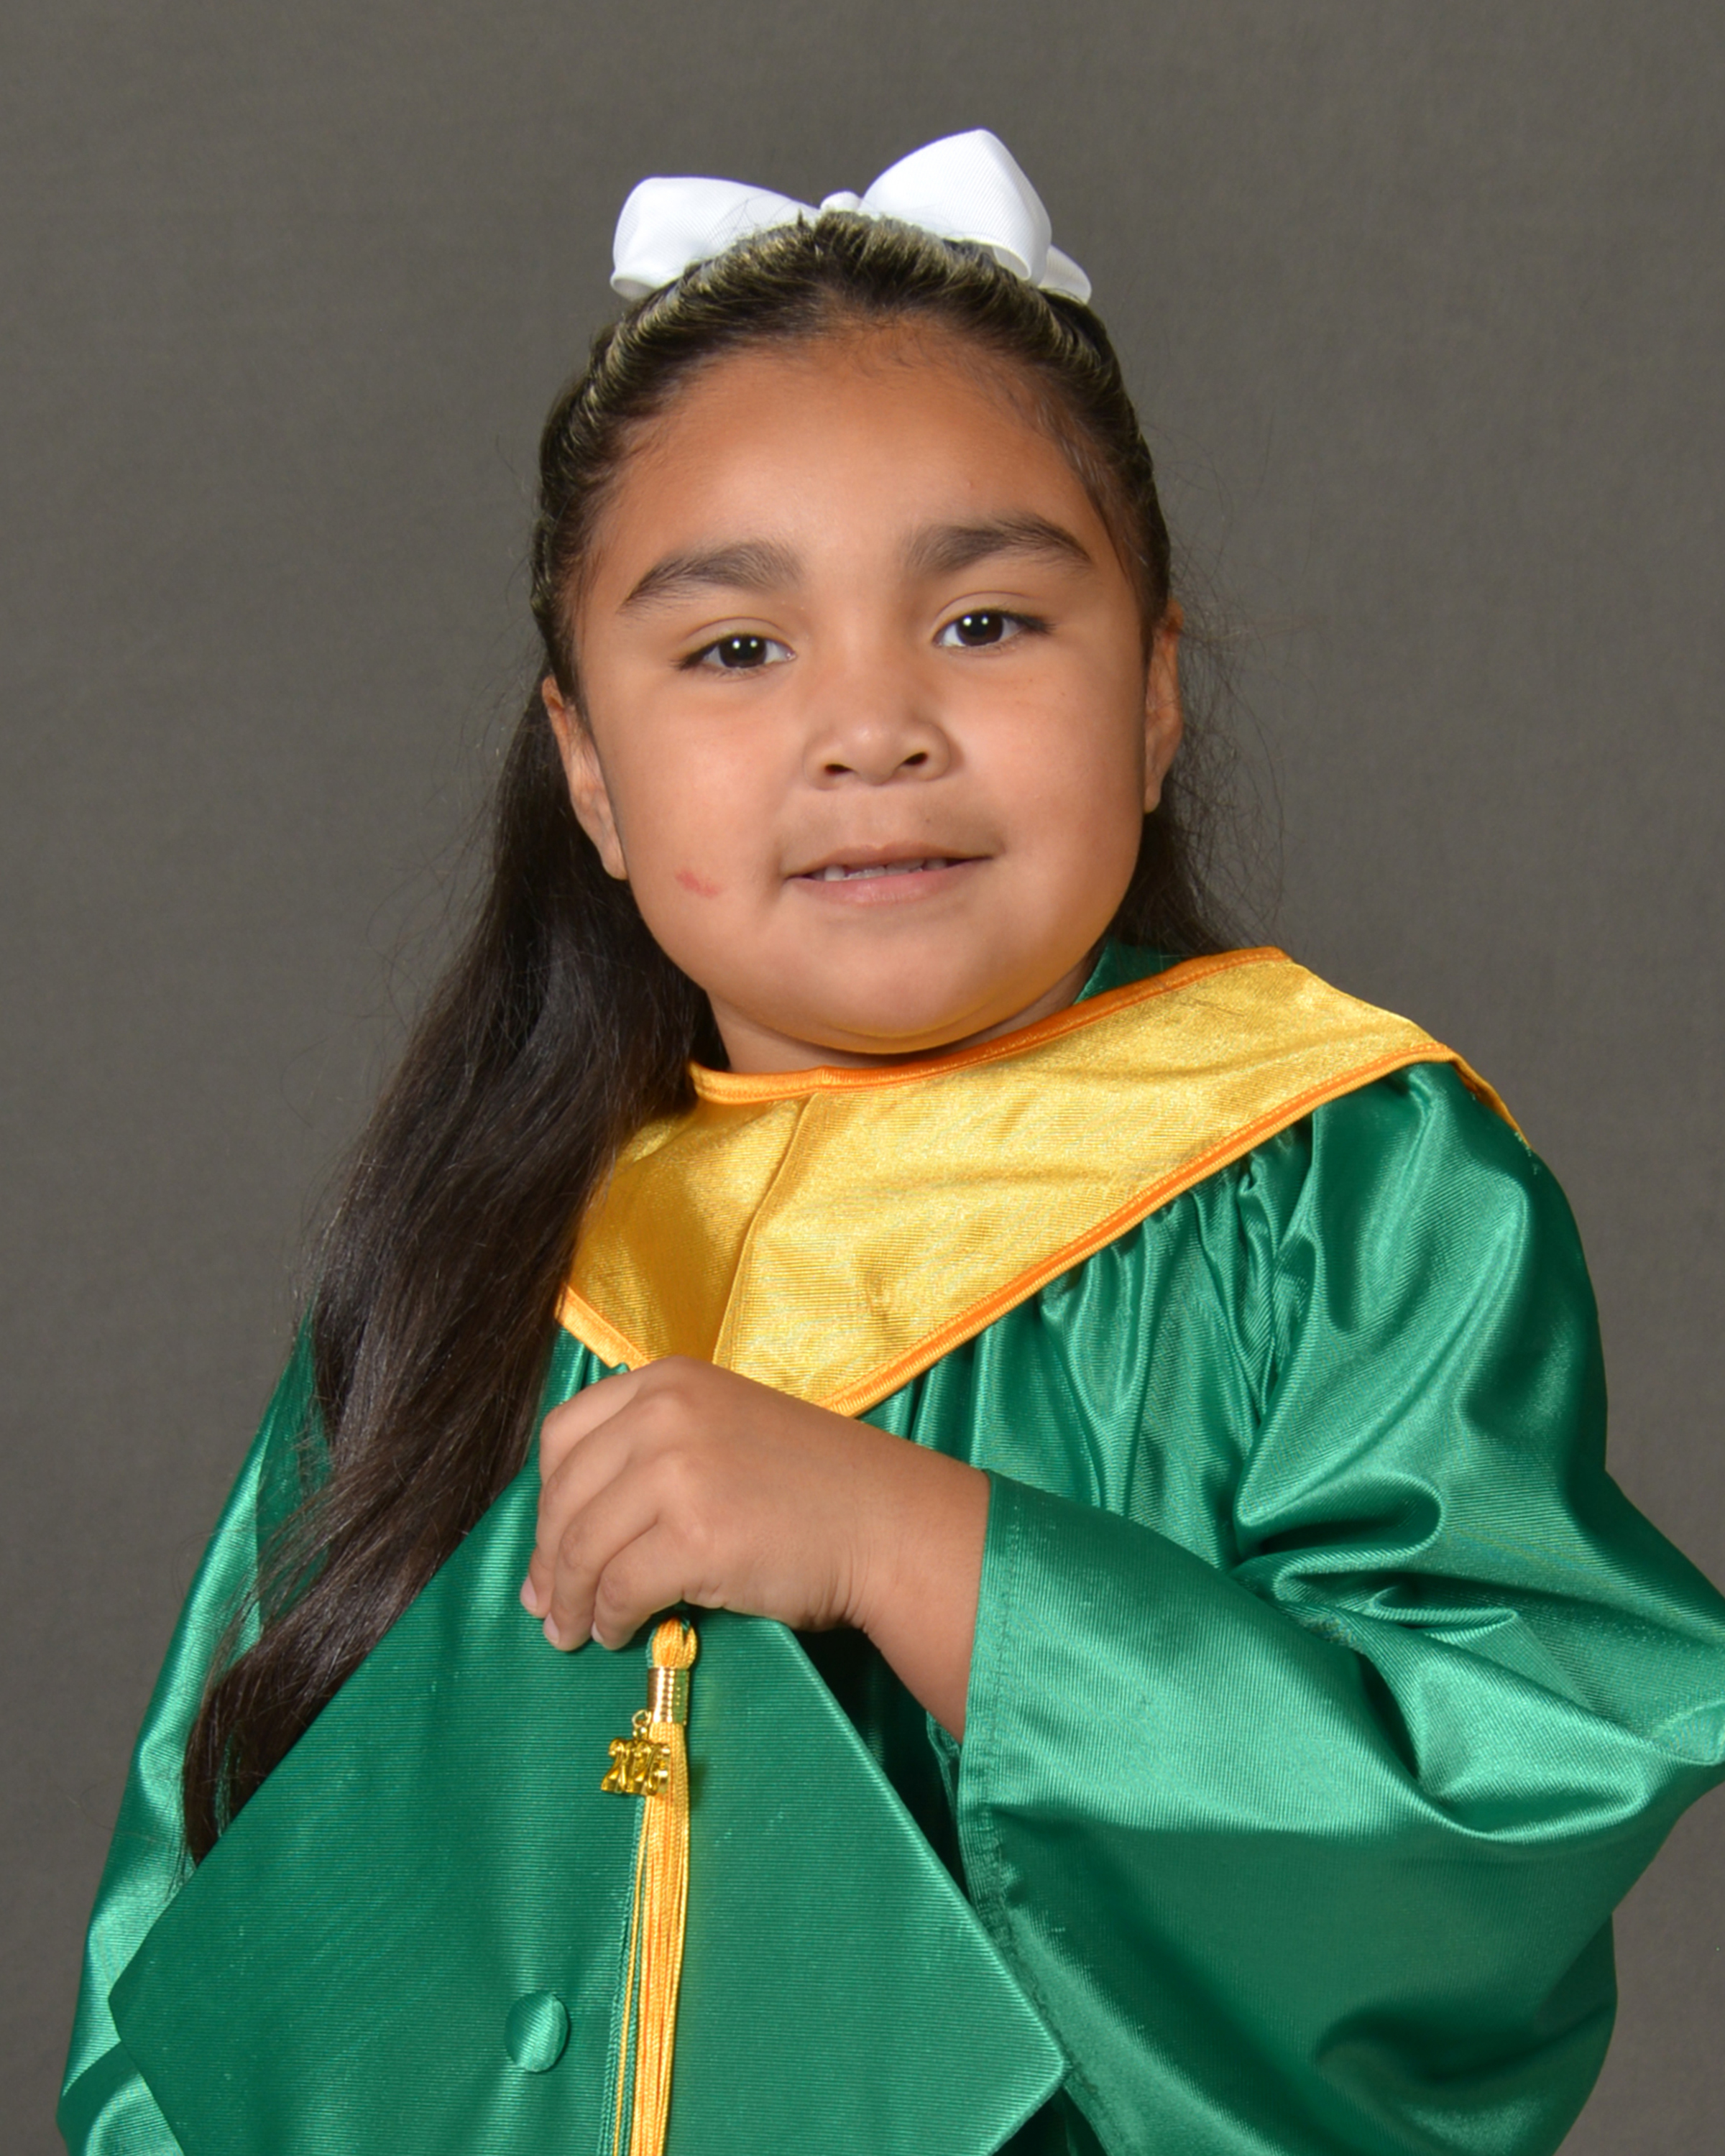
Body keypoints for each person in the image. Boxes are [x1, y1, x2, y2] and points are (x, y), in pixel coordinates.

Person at [60, 132, 1725, 2156]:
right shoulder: (499, 1260)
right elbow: (200, 1979)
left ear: (1157, 697)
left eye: (988, 623)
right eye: (737, 650)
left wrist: (910, 1548)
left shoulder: (1334, 1193)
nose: (872, 728)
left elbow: (1500, 1801)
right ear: (589, 773)